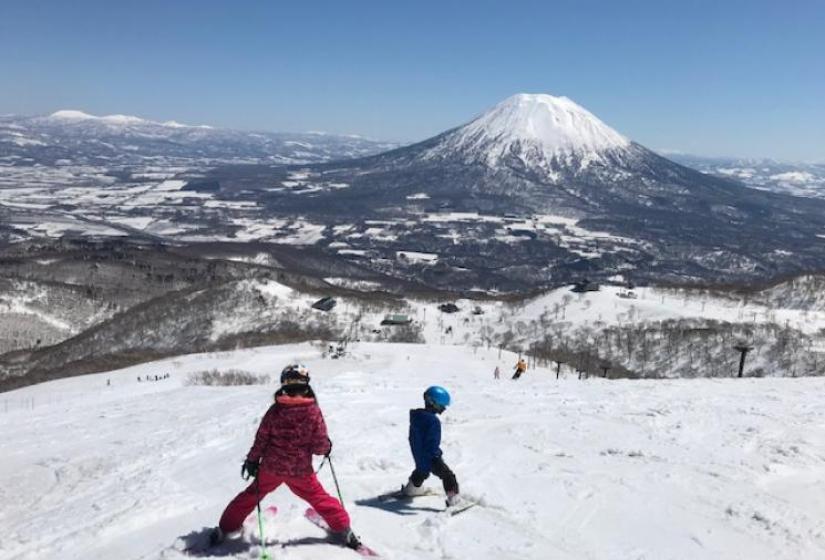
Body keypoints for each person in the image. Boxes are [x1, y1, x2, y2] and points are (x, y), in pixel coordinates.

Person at [210, 364, 361, 549]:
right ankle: (343, 528)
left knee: (250, 496)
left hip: (271, 469)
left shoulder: (275, 411)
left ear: (284, 385)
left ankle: (226, 526)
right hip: (301, 472)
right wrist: (327, 447)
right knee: (319, 498)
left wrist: (252, 460)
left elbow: (261, 439)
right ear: (306, 385)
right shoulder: (313, 412)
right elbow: (319, 446)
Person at [401, 386, 462, 507]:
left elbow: (413, 438)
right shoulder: (433, 421)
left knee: (421, 471)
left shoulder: (417, 417)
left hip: (418, 454)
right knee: (447, 475)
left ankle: (411, 489)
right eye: (442, 405)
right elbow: (432, 443)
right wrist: (436, 455)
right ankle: (454, 500)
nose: (444, 408)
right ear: (433, 403)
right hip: (431, 456)